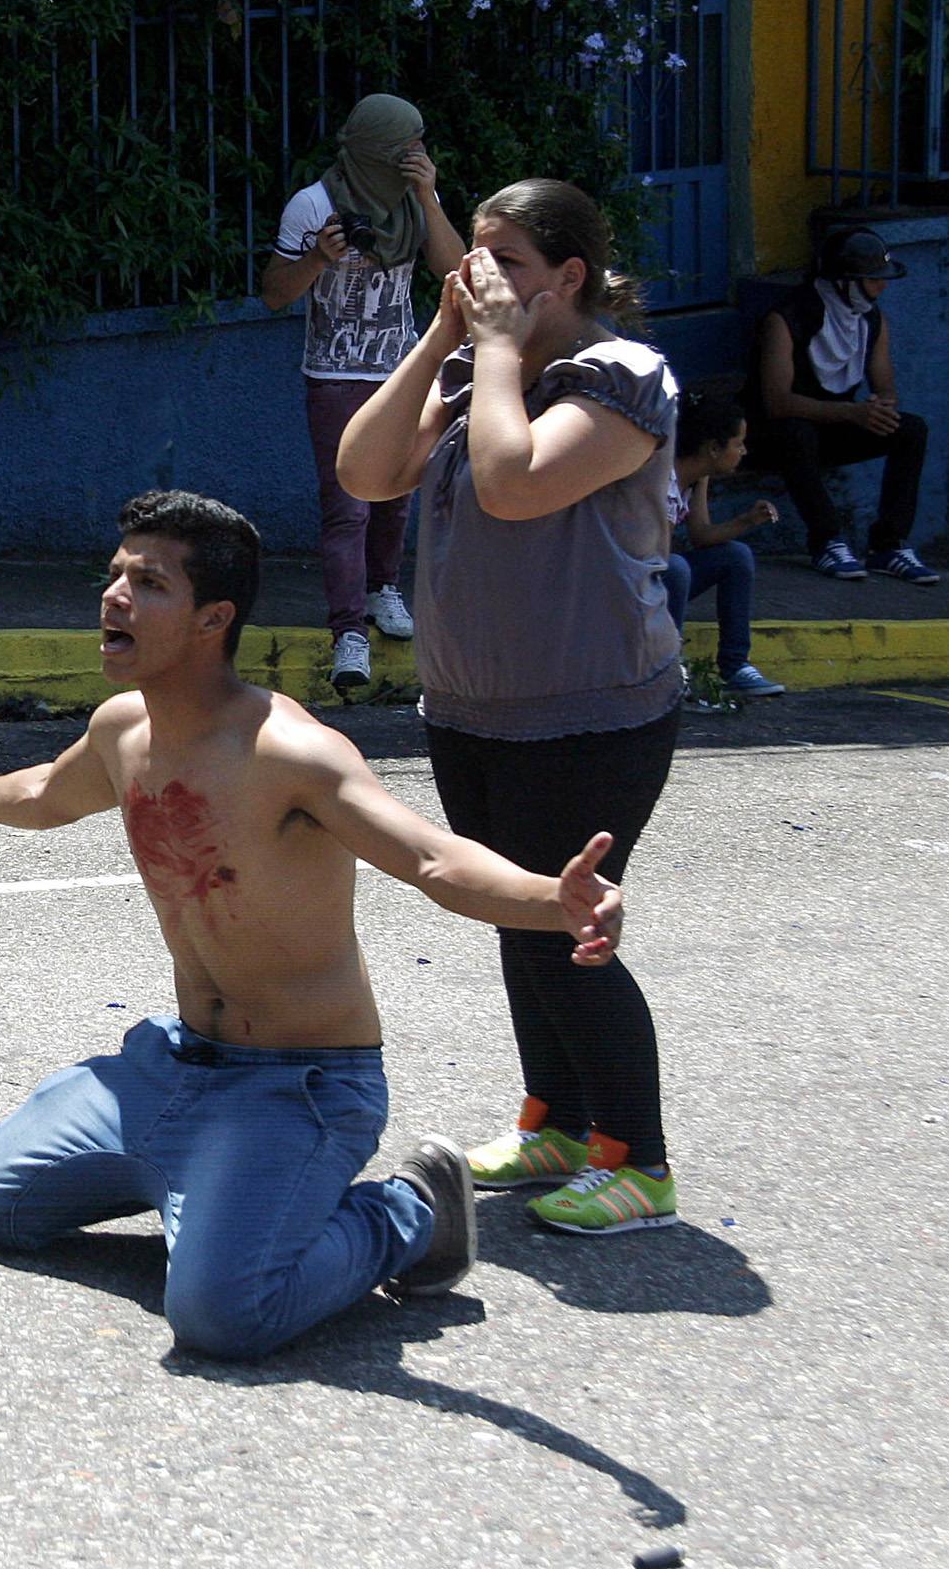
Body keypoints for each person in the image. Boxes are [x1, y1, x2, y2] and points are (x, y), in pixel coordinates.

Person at [0, 491, 627, 1359]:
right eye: (115, 575)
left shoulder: (290, 754)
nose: (113, 597)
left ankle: (406, 1211)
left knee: (224, 1317)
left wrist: (547, 900)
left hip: (299, 1085)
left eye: (147, 584)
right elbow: (43, 795)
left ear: (211, 619)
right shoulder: (124, 729)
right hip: (176, 1064)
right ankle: (200, 1185)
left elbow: (433, 860)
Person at [336, 178, 686, 1237]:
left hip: (593, 708)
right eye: (473, 261)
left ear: (568, 276)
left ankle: (641, 1159)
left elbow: (513, 482)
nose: (480, 279)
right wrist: (447, 334)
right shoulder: (469, 363)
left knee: (566, 924)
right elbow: (364, 469)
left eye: (506, 265)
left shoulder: (621, 378)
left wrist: (490, 352)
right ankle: (560, 1123)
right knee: (512, 913)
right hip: (475, 703)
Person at [259, 93, 466, 696]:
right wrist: (320, 258)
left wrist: (428, 195)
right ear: (376, 146)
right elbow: (274, 292)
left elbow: (453, 270)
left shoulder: (410, 201)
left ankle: (384, 591)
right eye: (406, 144)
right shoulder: (314, 205)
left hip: (400, 371)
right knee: (346, 504)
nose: (416, 154)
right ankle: (347, 631)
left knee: (397, 494)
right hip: (334, 374)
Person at [746, 224, 939, 585]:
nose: (881, 287)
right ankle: (827, 540)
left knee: (910, 429)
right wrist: (851, 413)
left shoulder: (873, 320)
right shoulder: (785, 319)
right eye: (871, 278)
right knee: (795, 432)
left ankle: (889, 544)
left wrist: (880, 409)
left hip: (833, 429)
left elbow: (885, 389)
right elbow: (777, 402)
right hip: (775, 437)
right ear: (843, 281)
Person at [663, 389, 786, 705]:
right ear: (714, 448)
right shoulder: (661, 477)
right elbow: (653, 557)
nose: (744, 450)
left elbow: (701, 535)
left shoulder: (697, 476)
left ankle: (736, 666)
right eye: (738, 443)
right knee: (675, 567)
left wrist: (746, 521)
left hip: (658, 572)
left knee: (735, 556)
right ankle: (665, 669)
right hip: (625, 582)